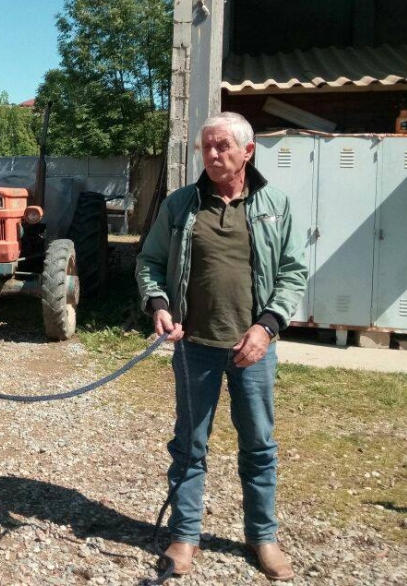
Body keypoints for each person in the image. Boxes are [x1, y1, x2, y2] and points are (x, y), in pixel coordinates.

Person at [136, 112, 307, 581]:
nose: (211, 155)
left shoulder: (275, 204)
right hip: (195, 347)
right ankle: (184, 537)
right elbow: (149, 262)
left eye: (222, 146)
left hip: (253, 349)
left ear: (247, 151)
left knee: (259, 446)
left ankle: (263, 537)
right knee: (189, 447)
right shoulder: (180, 205)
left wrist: (267, 327)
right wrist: (159, 305)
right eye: (205, 147)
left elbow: (293, 272)